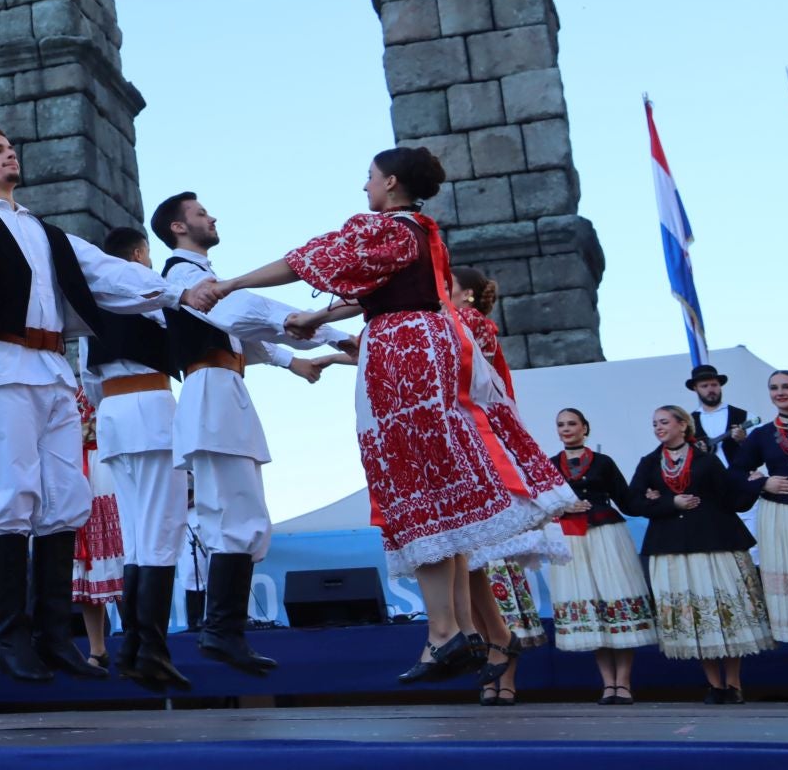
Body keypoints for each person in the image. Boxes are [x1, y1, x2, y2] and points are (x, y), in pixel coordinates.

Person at [187, 147, 572, 682]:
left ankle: (445, 633)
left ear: (391, 182)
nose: (363, 186)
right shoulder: (420, 233)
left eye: (369, 177)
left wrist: (231, 283)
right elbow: (381, 292)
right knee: (435, 491)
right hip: (422, 344)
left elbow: (305, 258)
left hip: (403, 352)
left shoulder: (386, 229)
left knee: (414, 483)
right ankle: (457, 630)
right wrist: (321, 314)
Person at [0, 130, 205, 685]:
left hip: (50, 369)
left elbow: (108, 272)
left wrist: (176, 293)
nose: (9, 153)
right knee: (11, 496)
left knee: (66, 497)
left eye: (10, 147)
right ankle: (13, 638)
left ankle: (55, 636)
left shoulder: (47, 233)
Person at [154, 192, 349, 675]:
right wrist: (305, 324)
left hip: (223, 388)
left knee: (240, 512)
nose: (211, 216)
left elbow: (247, 336)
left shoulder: (202, 280)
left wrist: (300, 353)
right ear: (178, 228)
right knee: (234, 514)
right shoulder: (183, 275)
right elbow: (239, 311)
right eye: (200, 213)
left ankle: (224, 629)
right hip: (214, 393)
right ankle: (221, 631)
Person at [83, 226, 190, 691]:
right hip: (150, 410)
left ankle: (133, 644)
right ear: (141, 253)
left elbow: (88, 377)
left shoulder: (93, 304)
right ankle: (151, 647)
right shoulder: (148, 292)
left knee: (135, 537)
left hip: (112, 415)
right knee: (162, 532)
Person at [450, 265, 556, 704]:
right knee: (468, 562)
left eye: (448, 285)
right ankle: (490, 655)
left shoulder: (470, 324)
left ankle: (503, 668)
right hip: (466, 444)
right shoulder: (452, 323)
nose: (442, 291)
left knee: (488, 565)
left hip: (481, 447)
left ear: (469, 295)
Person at [628, 405, 772, 702]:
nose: (658, 427)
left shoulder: (706, 461)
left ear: (683, 425)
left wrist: (755, 483)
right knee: (695, 616)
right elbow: (634, 502)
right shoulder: (650, 463)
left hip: (715, 543)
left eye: (664, 422)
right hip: (673, 548)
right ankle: (713, 684)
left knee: (726, 614)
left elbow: (731, 498)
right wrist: (671, 503)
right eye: (654, 423)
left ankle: (733, 684)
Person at [546, 407, 654, 703]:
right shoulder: (550, 465)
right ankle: (608, 684)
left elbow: (626, 498)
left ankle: (624, 683)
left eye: (572, 424)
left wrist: (654, 498)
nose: (566, 429)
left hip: (607, 535)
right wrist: (563, 508)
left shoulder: (603, 462)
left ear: (585, 428)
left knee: (614, 600)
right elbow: (541, 504)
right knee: (592, 607)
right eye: (561, 425)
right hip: (572, 539)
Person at [736, 370, 788, 644]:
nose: (780, 392)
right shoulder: (762, 435)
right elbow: (735, 472)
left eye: (786, 386)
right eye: (774, 388)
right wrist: (762, 484)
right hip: (778, 514)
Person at [70, 391, 123, 673]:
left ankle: (136, 639)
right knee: (87, 569)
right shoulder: (68, 391)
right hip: (79, 471)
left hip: (107, 465)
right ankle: (97, 648)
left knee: (123, 556)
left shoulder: (107, 388)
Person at [686, 364, 750, 468]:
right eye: (704, 386)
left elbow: (761, 448)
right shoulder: (687, 422)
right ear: (695, 388)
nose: (710, 390)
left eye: (714, 385)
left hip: (740, 479)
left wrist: (744, 441)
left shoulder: (744, 415)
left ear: (720, 386)